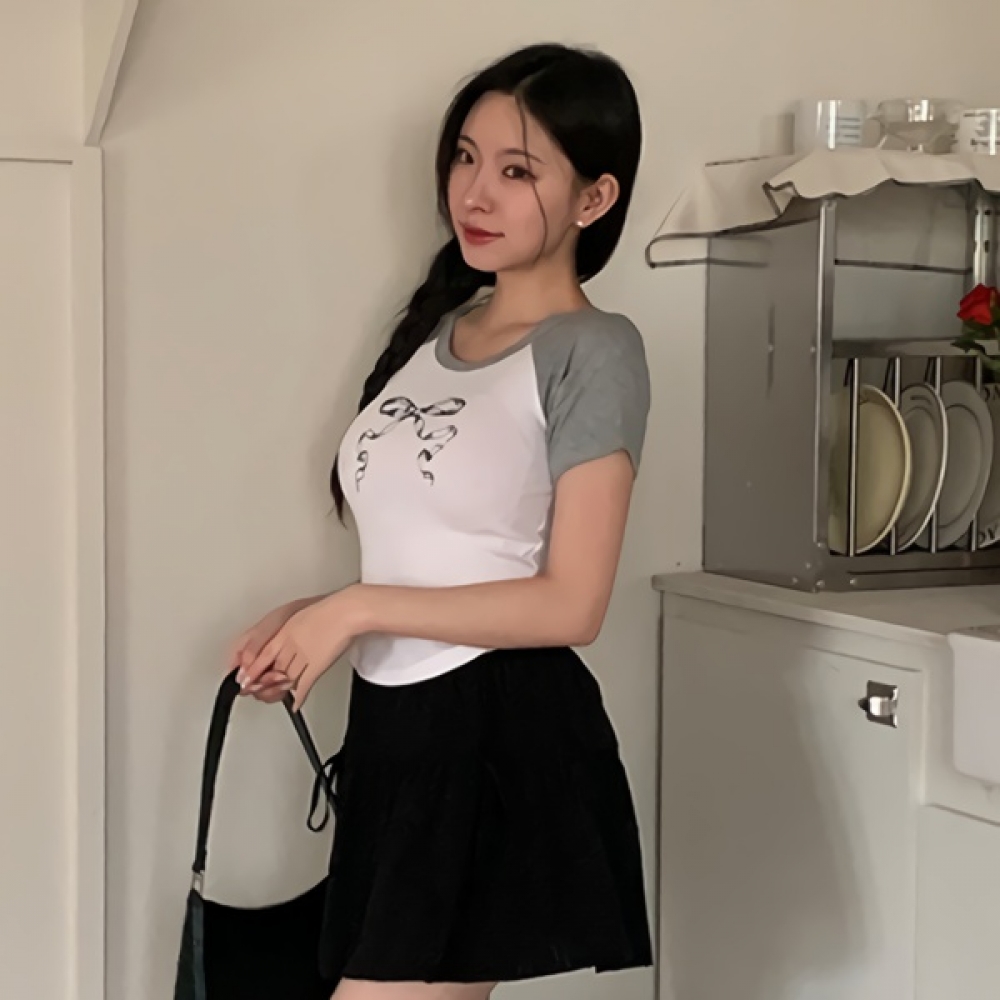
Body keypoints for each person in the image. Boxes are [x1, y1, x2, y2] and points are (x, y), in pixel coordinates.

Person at [231, 41, 653, 1000]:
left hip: (494, 732)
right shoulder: (437, 333)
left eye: (517, 170)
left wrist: (353, 611)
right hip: (397, 731)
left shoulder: (595, 350)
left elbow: (573, 604)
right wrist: (314, 616)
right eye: (466, 157)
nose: (475, 192)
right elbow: (436, 552)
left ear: (594, 198)